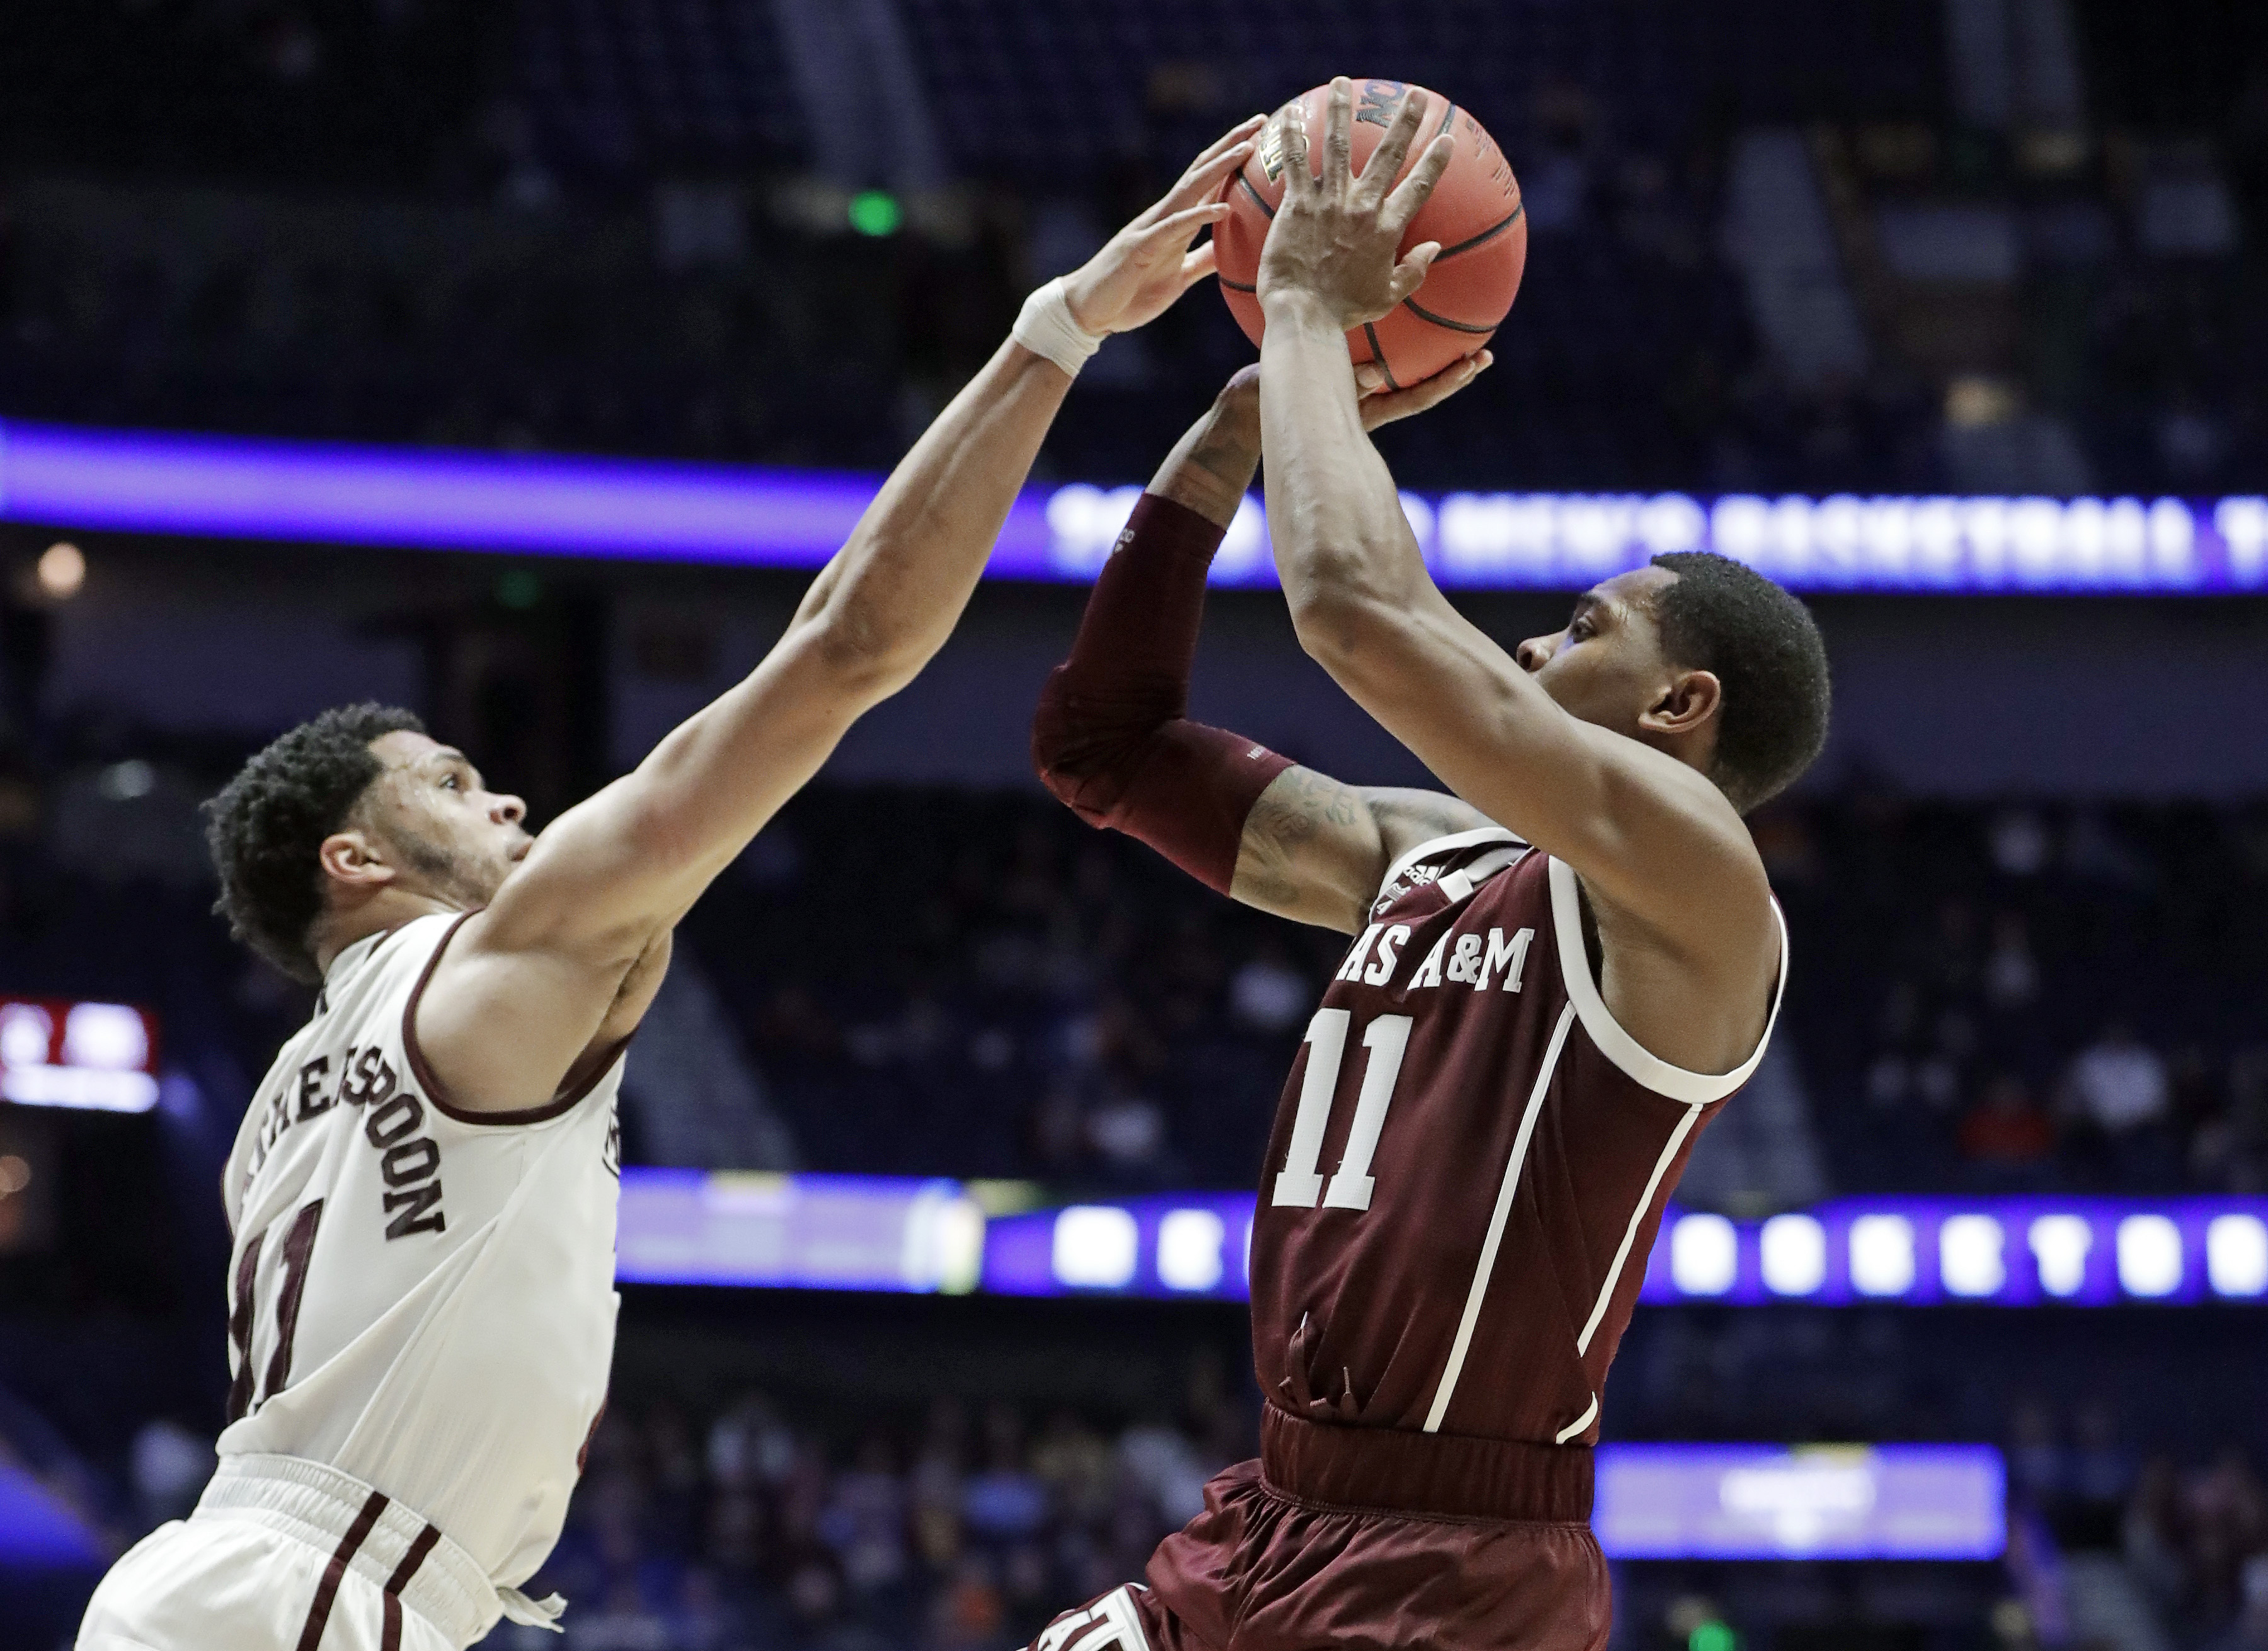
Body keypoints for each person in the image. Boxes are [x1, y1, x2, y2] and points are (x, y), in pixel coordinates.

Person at [75, 117, 1268, 1651]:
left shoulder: (282, 1107)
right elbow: (847, 647)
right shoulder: (507, 956)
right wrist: (1058, 331)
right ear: (354, 862)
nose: (500, 791)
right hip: (314, 1597)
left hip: (243, 1577)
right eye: (443, 779)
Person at [1027, 81, 1830, 1651]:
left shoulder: (1698, 879)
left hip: (1458, 1566)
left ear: (1682, 707)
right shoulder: (1435, 852)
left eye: (1589, 628)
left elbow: (1352, 609)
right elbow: (1103, 748)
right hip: (1264, 1511)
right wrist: (1221, 441)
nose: (1538, 637)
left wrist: (1312, 320)